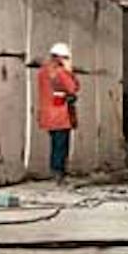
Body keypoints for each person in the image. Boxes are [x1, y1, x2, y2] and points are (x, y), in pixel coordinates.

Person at [37, 42, 80, 184]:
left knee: (55, 144)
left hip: (48, 113)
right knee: (61, 145)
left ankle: (55, 171)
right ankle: (58, 173)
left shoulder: (43, 71)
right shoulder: (61, 72)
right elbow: (73, 88)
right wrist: (69, 71)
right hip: (60, 114)